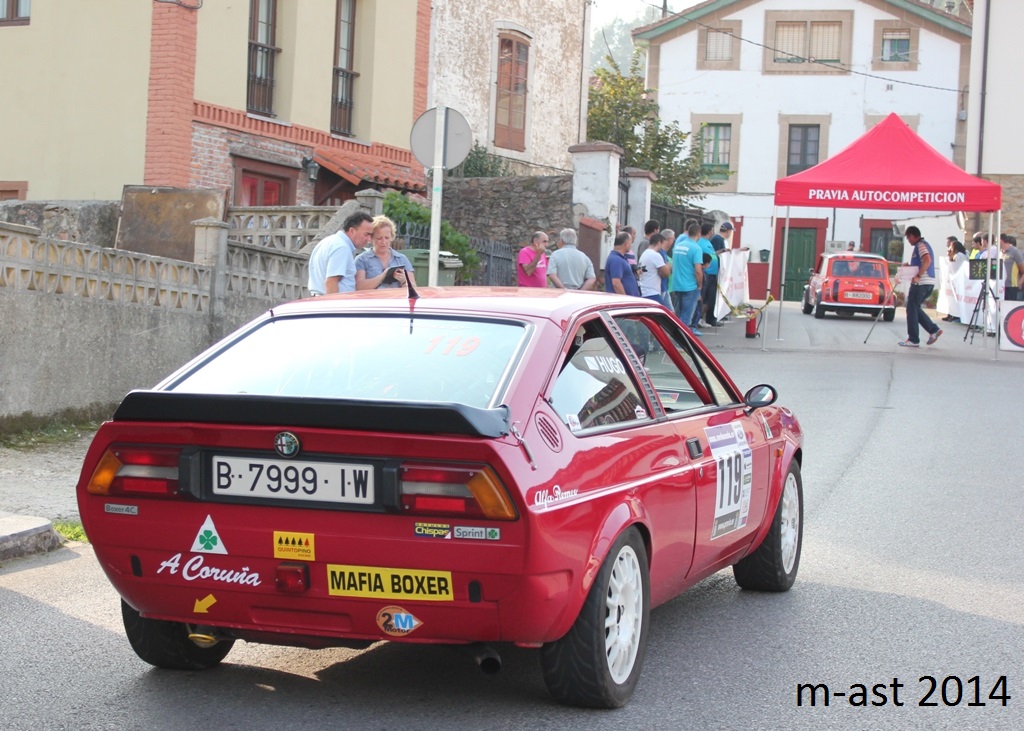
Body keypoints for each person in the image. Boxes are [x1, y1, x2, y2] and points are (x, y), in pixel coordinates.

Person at [307, 210, 374, 295]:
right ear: (352, 231)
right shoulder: (342, 248)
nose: (369, 240)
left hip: (320, 300)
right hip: (332, 304)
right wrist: (334, 307)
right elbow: (331, 282)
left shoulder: (328, 241)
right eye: (366, 234)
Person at [899, 226, 942, 348]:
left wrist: (918, 275)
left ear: (913, 235)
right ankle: (933, 330)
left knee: (911, 308)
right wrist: (911, 267)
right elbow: (923, 262)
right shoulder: (922, 246)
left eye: (908, 237)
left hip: (921, 282)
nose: (908, 240)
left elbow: (927, 260)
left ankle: (913, 339)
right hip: (927, 282)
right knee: (914, 308)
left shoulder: (921, 245)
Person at [354, 215, 415, 290]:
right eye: (379, 238)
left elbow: (414, 288)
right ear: (371, 238)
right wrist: (383, 276)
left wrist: (404, 281)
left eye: (387, 238)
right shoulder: (362, 260)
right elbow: (359, 287)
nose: (383, 242)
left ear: (392, 237)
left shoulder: (401, 259)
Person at [671, 220, 704, 335]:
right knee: (686, 316)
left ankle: (675, 336)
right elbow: (698, 270)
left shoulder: (678, 246)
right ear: (698, 234)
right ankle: (682, 340)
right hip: (689, 286)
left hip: (677, 284)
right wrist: (700, 284)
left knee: (678, 314)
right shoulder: (696, 248)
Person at [638, 232, 671, 306]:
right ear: (659, 243)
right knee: (663, 314)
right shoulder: (655, 255)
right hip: (652, 293)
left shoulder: (644, 254)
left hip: (644, 291)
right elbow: (666, 273)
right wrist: (667, 265)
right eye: (662, 244)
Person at [696, 222, 720, 327]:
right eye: (712, 230)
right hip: (706, 273)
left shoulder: (708, 242)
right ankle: (698, 319)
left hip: (712, 273)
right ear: (710, 231)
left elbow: (712, 255)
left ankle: (701, 318)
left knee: (710, 298)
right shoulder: (700, 242)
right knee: (703, 297)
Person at [604, 231, 639, 296]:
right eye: (630, 243)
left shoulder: (619, 258)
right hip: (622, 302)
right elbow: (616, 283)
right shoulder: (616, 259)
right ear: (626, 244)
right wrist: (625, 299)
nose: (631, 245)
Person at [942, 240, 968, 322]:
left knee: (955, 299)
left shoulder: (958, 256)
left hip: (957, 280)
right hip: (961, 280)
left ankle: (955, 315)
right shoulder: (964, 254)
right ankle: (953, 315)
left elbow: (954, 267)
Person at [999, 233, 1024, 301]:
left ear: (1001, 240)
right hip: (1001, 286)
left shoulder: (1015, 251)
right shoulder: (1000, 253)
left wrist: (1020, 283)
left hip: (1012, 286)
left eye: (996, 241)